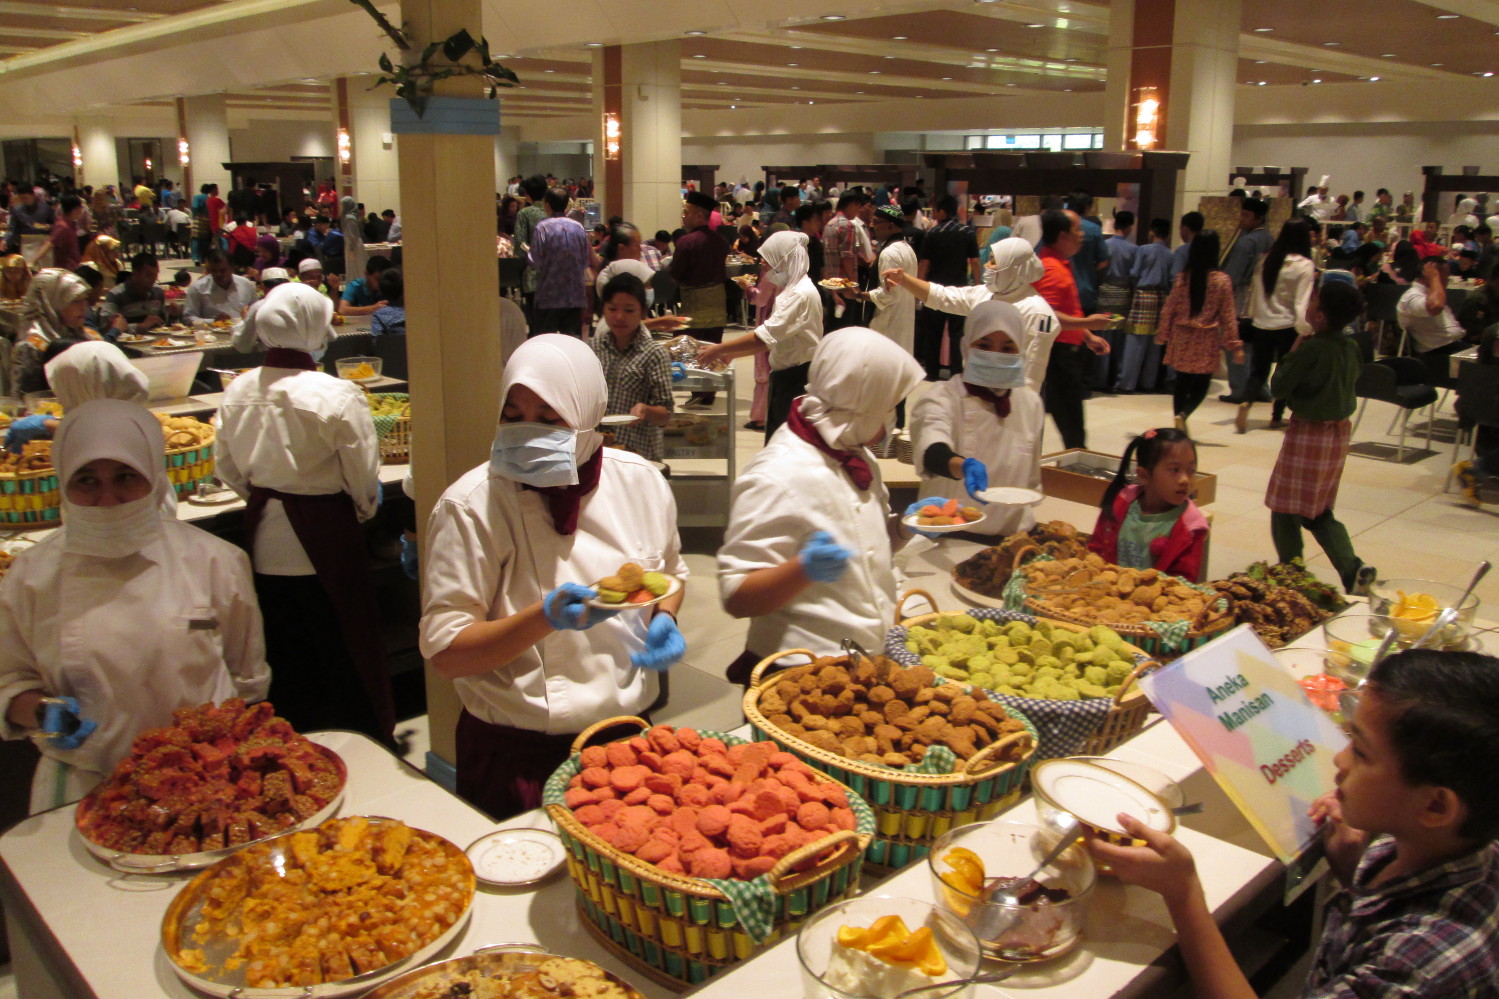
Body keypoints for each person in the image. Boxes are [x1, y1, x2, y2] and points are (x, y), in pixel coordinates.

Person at [1095, 647, 1499, 999]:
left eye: (1359, 751)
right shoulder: (1447, 845)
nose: (1339, 760)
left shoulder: (1414, 970)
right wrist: (1351, 869)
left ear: (1435, 807)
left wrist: (1183, 894)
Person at [420, 334, 688, 818]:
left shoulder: (641, 482)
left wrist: (665, 617)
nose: (527, 433)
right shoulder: (472, 505)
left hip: (628, 741)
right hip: (519, 755)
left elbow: (670, 572)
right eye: (513, 415)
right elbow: (448, 656)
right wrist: (543, 619)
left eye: (549, 419)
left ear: (589, 415)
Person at [0, 400, 269, 813]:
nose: (108, 499)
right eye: (86, 480)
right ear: (62, 482)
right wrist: (39, 712)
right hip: (87, 782)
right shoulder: (32, 576)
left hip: (209, 780)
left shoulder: (216, 561)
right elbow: (9, 682)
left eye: (126, 476)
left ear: (155, 476)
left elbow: (247, 682)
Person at [214, 283, 393, 742]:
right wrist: (360, 510)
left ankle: (291, 736)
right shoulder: (336, 394)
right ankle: (356, 737)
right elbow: (361, 474)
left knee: (283, 642)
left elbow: (228, 469)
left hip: (263, 530)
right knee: (340, 641)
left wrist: (263, 494)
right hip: (324, 528)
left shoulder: (237, 391)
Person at [718, 328, 924, 684]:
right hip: (800, 672)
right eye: (889, 407)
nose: (892, 420)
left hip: (860, 659)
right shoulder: (777, 476)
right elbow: (737, 596)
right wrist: (803, 570)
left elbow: (864, 549)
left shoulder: (854, 454)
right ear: (860, 407)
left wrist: (901, 527)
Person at [1266, 281, 1377, 595]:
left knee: (1285, 507)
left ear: (1322, 315)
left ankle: (1292, 571)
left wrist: (1292, 353)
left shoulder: (1312, 347)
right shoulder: (1351, 346)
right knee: (1319, 510)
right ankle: (1352, 568)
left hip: (1309, 434)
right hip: (1337, 434)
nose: (1309, 303)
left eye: (1314, 299)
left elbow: (1279, 387)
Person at [910, 300, 1045, 537]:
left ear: (1021, 350)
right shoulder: (943, 397)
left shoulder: (1030, 403)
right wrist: (963, 466)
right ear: (966, 347)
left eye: (1007, 348)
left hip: (1014, 533)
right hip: (952, 533)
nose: (995, 355)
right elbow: (932, 449)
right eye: (984, 345)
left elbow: (1032, 477)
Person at [882, 236, 1058, 394]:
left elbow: (1031, 379)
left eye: (993, 262)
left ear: (1014, 269)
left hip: (1011, 406)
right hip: (976, 393)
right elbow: (942, 297)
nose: (986, 267)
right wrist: (904, 279)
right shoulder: (986, 294)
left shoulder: (1037, 313)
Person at [695, 230, 822, 440]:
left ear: (784, 260)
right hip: (786, 375)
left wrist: (720, 349)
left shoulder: (800, 294)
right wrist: (732, 354)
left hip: (796, 378)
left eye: (769, 260)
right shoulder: (792, 290)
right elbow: (772, 340)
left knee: (785, 446)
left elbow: (765, 336)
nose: (763, 264)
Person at [1033, 210, 1114, 449]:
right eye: (1076, 230)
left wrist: (1086, 335)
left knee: (1069, 421)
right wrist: (1089, 324)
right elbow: (1047, 317)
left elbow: (1064, 311)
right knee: (1070, 422)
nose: (1081, 235)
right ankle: (1075, 470)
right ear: (1062, 236)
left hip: (1062, 352)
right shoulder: (1051, 269)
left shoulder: (1058, 264)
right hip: (1057, 355)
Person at [1087, 427, 1208, 582]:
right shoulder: (1121, 503)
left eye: (1191, 470)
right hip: (1108, 593)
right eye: (1174, 470)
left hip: (1159, 603)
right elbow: (1097, 550)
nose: (1185, 479)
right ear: (1144, 475)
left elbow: (1184, 582)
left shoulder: (1190, 527)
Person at [1156, 230, 1243, 431]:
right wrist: (1234, 343)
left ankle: (1178, 416)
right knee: (1202, 385)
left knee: (1182, 382)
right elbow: (1228, 315)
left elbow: (1170, 307)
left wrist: (1163, 333)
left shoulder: (1183, 278)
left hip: (1182, 335)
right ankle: (1184, 415)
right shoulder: (1221, 280)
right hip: (1206, 337)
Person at [1239, 218, 1316, 433]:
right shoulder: (1304, 265)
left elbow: (1256, 294)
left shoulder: (1267, 260)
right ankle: (1276, 417)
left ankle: (1246, 401)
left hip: (1262, 323)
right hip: (1287, 325)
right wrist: (1304, 328)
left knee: (1259, 370)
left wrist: (1254, 317)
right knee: (1285, 373)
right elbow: (1302, 301)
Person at [5, 341, 151, 454]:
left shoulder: (127, 438)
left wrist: (50, 426)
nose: (61, 401)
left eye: (66, 390)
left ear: (86, 385)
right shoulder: (133, 413)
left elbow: (102, 439)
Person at [592, 273, 675, 461]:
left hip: (639, 454)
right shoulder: (593, 348)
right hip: (598, 453)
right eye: (612, 309)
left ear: (643, 312)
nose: (620, 317)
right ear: (603, 310)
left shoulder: (654, 353)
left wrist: (646, 410)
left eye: (629, 310)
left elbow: (666, 414)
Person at [914, 195, 980, 380]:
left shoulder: (932, 233)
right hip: (960, 290)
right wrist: (979, 285)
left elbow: (924, 263)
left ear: (942, 212)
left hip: (934, 290)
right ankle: (957, 372)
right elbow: (974, 262)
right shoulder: (967, 232)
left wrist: (917, 290)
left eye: (935, 210)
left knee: (932, 332)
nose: (934, 214)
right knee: (957, 333)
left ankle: (932, 372)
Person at [864, 205, 919, 422]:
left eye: (877, 222)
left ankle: (883, 430)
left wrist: (859, 295)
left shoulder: (889, 253)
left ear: (890, 225)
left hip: (889, 321)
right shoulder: (906, 248)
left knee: (883, 377)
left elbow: (888, 294)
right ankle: (896, 425)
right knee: (897, 376)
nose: (873, 227)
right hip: (903, 319)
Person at [1218, 198, 1274, 403]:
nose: (1241, 219)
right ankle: (1260, 388)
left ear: (1258, 218)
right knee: (1257, 348)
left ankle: (1239, 390)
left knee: (1236, 344)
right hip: (1262, 299)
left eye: (1246, 215)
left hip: (1241, 298)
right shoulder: (1269, 238)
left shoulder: (1246, 241)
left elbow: (1232, 275)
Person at [12, 269, 99, 395]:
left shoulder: (90, 335)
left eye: (85, 299)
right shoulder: (31, 347)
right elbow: (24, 399)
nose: (84, 307)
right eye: (75, 301)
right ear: (50, 303)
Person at [670, 190, 731, 353]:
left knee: (684, 353)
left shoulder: (686, 241)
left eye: (686, 212)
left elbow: (675, 273)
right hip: (718, 310)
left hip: (693, 310)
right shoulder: (721, 241)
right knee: (712, 353)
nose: (683, 216)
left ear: (698, 215)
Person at [528, 188, 591, 336]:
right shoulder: (579, 228)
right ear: (566, 205)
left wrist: (528, 253)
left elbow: (534, 261)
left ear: (547, 205)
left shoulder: (542, 227)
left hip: (548, 296)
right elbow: (585, 261)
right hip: (574, 296)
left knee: (545, 342)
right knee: (571, 342)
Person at [1398, 256, 1465, 379]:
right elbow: (1435, 306)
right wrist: (1435, 278)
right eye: (1446, 277)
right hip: (1437, 356)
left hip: (1453, 348)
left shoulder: (1430, 293)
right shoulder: (1411, 297)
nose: (1447, 282)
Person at [184, 250, 256, 323]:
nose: (218, 274)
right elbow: (188, 318)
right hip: (211, 333)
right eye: (214, 270)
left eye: (223, 270)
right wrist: (213, 321)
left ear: (232, 268)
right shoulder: (197, 288)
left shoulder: (246, 285)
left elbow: (256, 311)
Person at [47, 196, 83, 271]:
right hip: (66, 270)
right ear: (75, 210)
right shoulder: (63, 226)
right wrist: (33, 262)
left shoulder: (71, 224)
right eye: (81, 209)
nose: (82, 211)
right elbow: (50, 243)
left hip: (73, 267)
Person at [369, 268, 405, 338]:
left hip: (390, 348)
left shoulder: (379, 315)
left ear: (380, 290)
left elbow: (376, 341)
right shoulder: (413, 313)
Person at [1171, 211, 1203, 279]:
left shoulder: (1182, 251)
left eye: (1180, 228)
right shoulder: (1208, 248)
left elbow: (1176, 276)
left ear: (1185, 228)